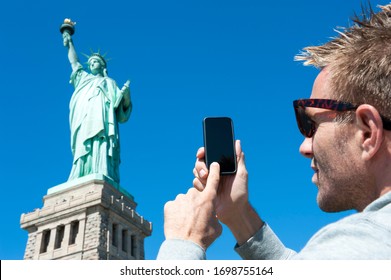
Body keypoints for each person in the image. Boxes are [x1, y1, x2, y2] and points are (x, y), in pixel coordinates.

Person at [157, 4, 391, 259]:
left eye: (310, 125)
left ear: (367, 132)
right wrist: (238, 215)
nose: (304, 147)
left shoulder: (362, 242)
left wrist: (184, 242)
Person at [62, 30, 132, 183]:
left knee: (101, 142)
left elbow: (121, 110)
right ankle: (81, 171)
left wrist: (126, 96)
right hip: (85, 119)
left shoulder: (110, 82)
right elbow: (74, 63)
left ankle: (102, 169)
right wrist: (70, 44)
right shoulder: (84, 79)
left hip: (104, 121)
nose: (92, 63)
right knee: (83, 145)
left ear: (102, 65)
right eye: (91, 62)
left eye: (95, 61)